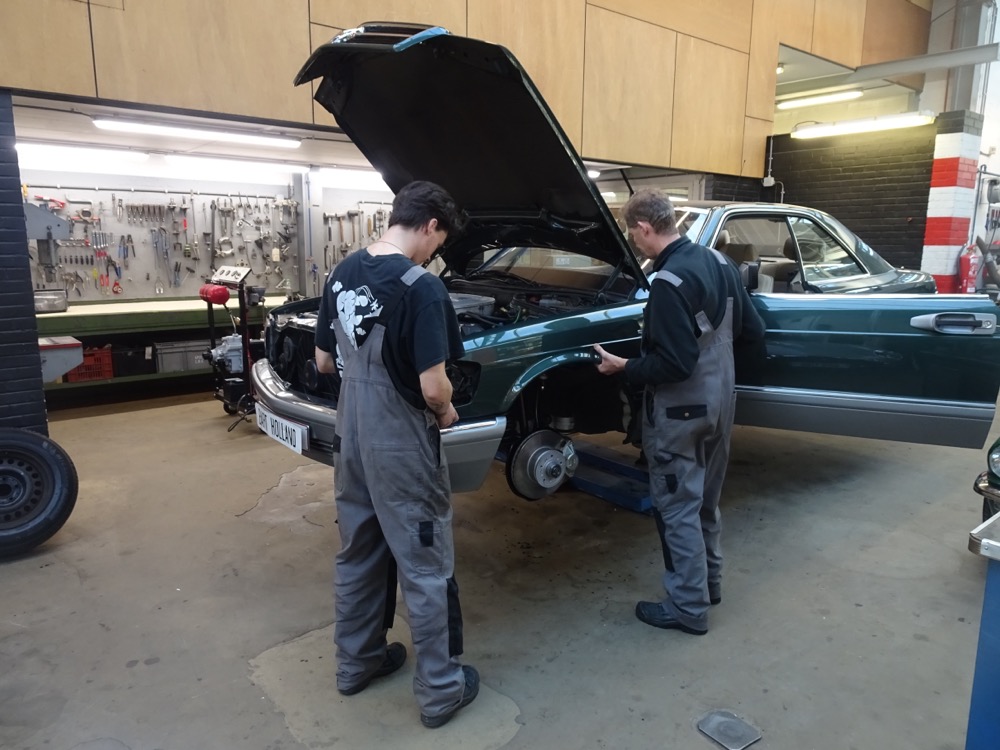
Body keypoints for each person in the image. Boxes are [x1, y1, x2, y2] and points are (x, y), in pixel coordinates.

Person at [314, 180, 479, 727]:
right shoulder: (422, 288)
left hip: (351, 438)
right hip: (401, 449)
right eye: (439, 243)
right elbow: (433, 387)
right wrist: (446, 411)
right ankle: (440, 691)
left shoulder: (341, 271)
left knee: (358, 551)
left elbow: (323, 363)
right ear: (429, 226)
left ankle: (355, 664)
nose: (434, 254)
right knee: (426, 566)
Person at [593, 188, 765, 635]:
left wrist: (624, 366)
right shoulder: (720, 263)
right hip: (721, 404)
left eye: (633, 235)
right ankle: (709, 584)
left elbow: (674, 365)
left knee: (677, 508)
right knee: (705, 500)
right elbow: (753, 330)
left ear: (644, 228)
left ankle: (688, 607)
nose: (635, 242)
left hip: (679, 414)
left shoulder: (668, 284)